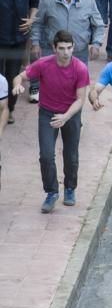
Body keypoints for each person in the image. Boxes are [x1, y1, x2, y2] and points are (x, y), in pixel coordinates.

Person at [11, 31, 89, 213]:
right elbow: (20, 76)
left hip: (71, 113)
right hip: (47, 113)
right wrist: (17, 85)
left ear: (73, 48)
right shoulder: (44, 64)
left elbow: (80, 100)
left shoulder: (80, 68)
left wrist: (66, 117)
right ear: (54, 48)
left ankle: (70, 188)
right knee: (46, 155)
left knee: (71, 155)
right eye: (61, 48)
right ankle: (51, 192)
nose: (66, 52)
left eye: (69, 48)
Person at [31, 0, 105, 65]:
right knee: (52, 79)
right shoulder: (47, 1)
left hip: (79, 52)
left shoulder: (89, 1)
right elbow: (37, 23)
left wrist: (96, 44)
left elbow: (98, 25)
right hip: (53, 52)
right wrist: (35, 43)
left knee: (78, 80)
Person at [0, 0, 39, 121]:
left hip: (18, 38)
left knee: (12, 75)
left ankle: (9, 109)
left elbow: (35, 2)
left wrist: (31, 19)